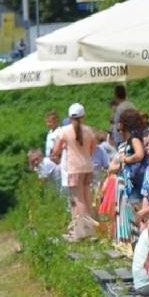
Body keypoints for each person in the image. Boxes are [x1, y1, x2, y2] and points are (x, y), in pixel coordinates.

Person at [51, 102, 100, 241]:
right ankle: (89, 228)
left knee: (78, 200)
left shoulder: (64, 131)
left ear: (69, 117)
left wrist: (61, 151)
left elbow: (56, 150)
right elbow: (93, 148)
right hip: (87, 166)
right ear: (83, 116)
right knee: (87, 196)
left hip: (74, 168)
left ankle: (82, 231)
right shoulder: (89, 130)